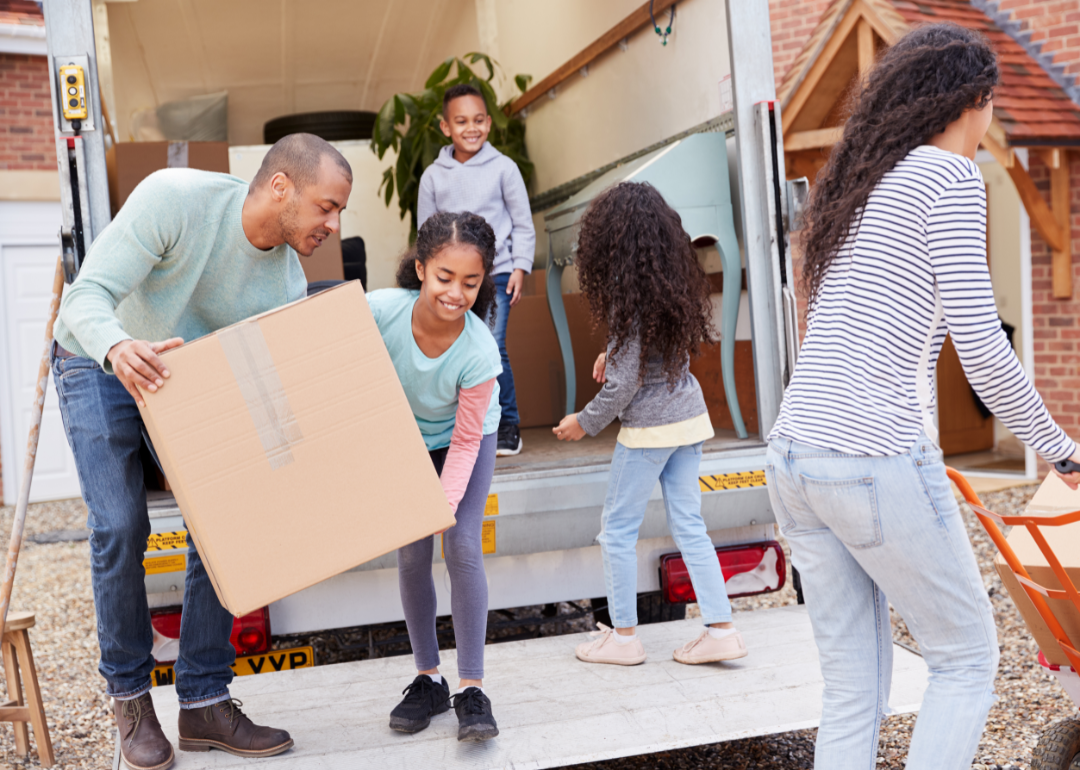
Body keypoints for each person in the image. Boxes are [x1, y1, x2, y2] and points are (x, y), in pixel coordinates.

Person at [764, 24, 1080, 770]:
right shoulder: (947, 178)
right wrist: (1062, 448)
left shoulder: (864, 183)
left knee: (851, 690)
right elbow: (984, 349)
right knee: (967, 656)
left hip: (795, 458)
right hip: (872, 457)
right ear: (973, 101)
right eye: (990, 106)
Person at [52, 133, 353, 769]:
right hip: (97, 359)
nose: (334, 223)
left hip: (184, 384)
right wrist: (118, 347)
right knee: (119, 523)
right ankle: (130, 698)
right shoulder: (175, 200)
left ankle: (204, 701)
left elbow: (260, 390)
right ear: (281, 188)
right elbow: (83, 299)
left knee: (227, 518)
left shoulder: (286, 282)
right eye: (327, 206)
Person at [553, 182, 745, 666]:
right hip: (688, 420)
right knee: (690, 526)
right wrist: (611, 351)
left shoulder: (627, 296)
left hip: (650, 432)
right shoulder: (670, 284)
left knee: (617, 531)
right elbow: (646, 351)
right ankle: (721, 628)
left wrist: (584, 421)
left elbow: (622, 387)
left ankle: (623, 639)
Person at [368, 211, 502, 743]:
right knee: (411, 551)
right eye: (445, 277)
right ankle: (429, 679)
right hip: (407, 440)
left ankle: (471, 687)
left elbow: (467, 441)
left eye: (471, 282)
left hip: (465, 440)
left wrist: (440, 505)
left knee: (462, 543)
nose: (456, 293)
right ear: (420, 268)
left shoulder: (478, 350)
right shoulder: (381, 310)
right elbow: (323, 336)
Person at [417, 83, 536, 457]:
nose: (472, 128)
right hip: (451, 281)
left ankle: (507, 425)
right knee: (456, 347)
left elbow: (522, 223)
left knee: (492, 346)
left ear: (489, 123)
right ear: (445, 127)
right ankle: (463, 425)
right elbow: (426, 234)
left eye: (480, 120)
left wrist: (520, 266)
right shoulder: (433, 177)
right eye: (462, 121)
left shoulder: (504, 168)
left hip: (497, 274)